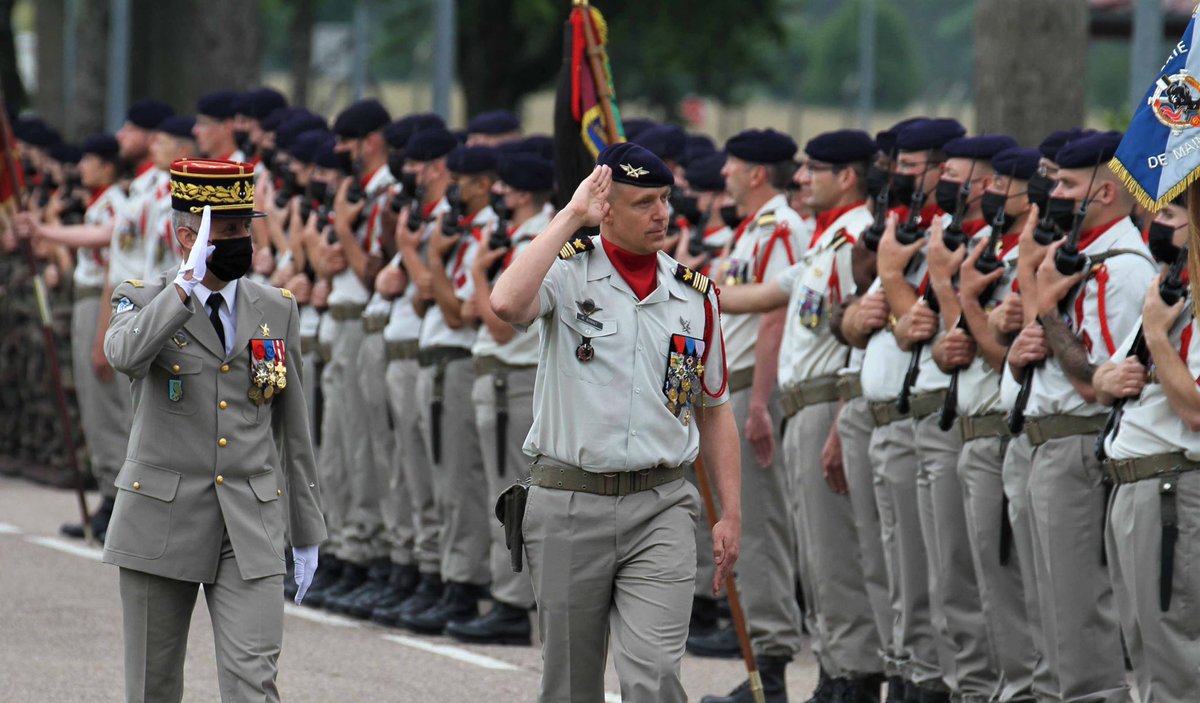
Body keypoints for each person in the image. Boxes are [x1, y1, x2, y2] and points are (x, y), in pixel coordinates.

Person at [490, 142, 741, 703]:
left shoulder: (693, 297)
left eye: (665, 200)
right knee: (572, 685)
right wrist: (570, 216)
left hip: (661, 507)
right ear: (606, 207)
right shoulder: (567, 274)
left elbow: (714, 407)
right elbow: (505, 304)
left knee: (653, 677)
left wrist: (731, 513)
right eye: (643, 203)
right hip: (569, 504)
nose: (662, 214)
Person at [101, 158, 325, 702]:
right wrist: (183, 291)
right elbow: (124, 355)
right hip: (162, 519)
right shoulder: (143, 299)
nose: (241, 240)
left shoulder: (275, 307)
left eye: (245, 228)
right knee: (153, 686)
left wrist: (306, 528)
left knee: (255, 681)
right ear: (187, 237)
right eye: (225, 232)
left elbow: (292, 428)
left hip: (250, 524)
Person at [715, 129, 886, 701]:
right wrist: (677, 281)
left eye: (815, 168)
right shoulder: (825, 238)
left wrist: (840, 421)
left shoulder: (859, 236)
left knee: (836, 552)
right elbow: (761, 298)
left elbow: (852, 340)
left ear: (847, 177)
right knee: (817, 553)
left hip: (827, 402)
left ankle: (852, 676)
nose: (802, 177)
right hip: (803, 401)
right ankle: (836, 673)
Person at [1006, 130, 1153, 702]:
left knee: (1079, 613)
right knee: (1048, 612)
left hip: (1078, 445)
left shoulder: (1122, 268)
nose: (1055, 194)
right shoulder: (1078, 257)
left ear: (1109, 192)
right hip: (1047, 443)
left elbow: (1098, 385)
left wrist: (1044, 307)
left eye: (1069, 184)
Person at [445, 150, 556, 645]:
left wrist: (481, 275)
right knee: (498, 490)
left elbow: (501, 325)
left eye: (506, 189)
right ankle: (506, 595)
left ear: (523, 193)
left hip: (513, 377)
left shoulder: (538, 238)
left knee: (510, 496)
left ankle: (513, 603)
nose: (499, 195)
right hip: (496, 376)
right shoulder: (515, 236)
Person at [1093, 190, 1198, 703]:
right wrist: (1108, 377)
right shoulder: (1170, 290)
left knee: (1174, 652)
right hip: (1134, 486)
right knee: (1146, 648)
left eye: (1171, 216)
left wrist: (1158, 337)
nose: (1155, 224)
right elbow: (1109, 376)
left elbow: (1196, 412)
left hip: (1171, 490)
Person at [16, 133, 129, 542]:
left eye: (91, 160)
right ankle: (107, 492)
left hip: (101, 298)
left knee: (109, 407)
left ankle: (119, 497)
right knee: (94, 408)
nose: (82, 166)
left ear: (108, 166)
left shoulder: (117, 201)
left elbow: (110, 248)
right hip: (86, 297)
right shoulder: (99, 201)